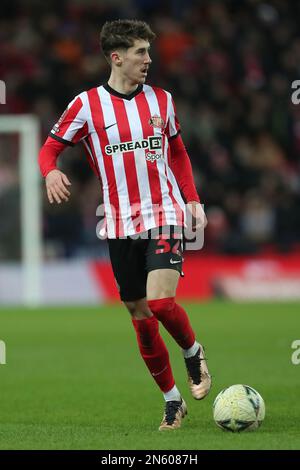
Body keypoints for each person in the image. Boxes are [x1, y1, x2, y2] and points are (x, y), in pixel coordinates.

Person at [38, 19, 211, 431]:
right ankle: (172, 401)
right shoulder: (85, 106)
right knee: (139, 313)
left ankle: (193, 351)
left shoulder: (163, 101)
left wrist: (192, 200)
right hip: (117, 222)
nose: (148, 60)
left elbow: (179, 153)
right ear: (116, 57)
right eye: (140, 53)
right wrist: (49, 172)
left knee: (161, 303)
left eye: (148, 53)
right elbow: (50, 148)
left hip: (164, 213)